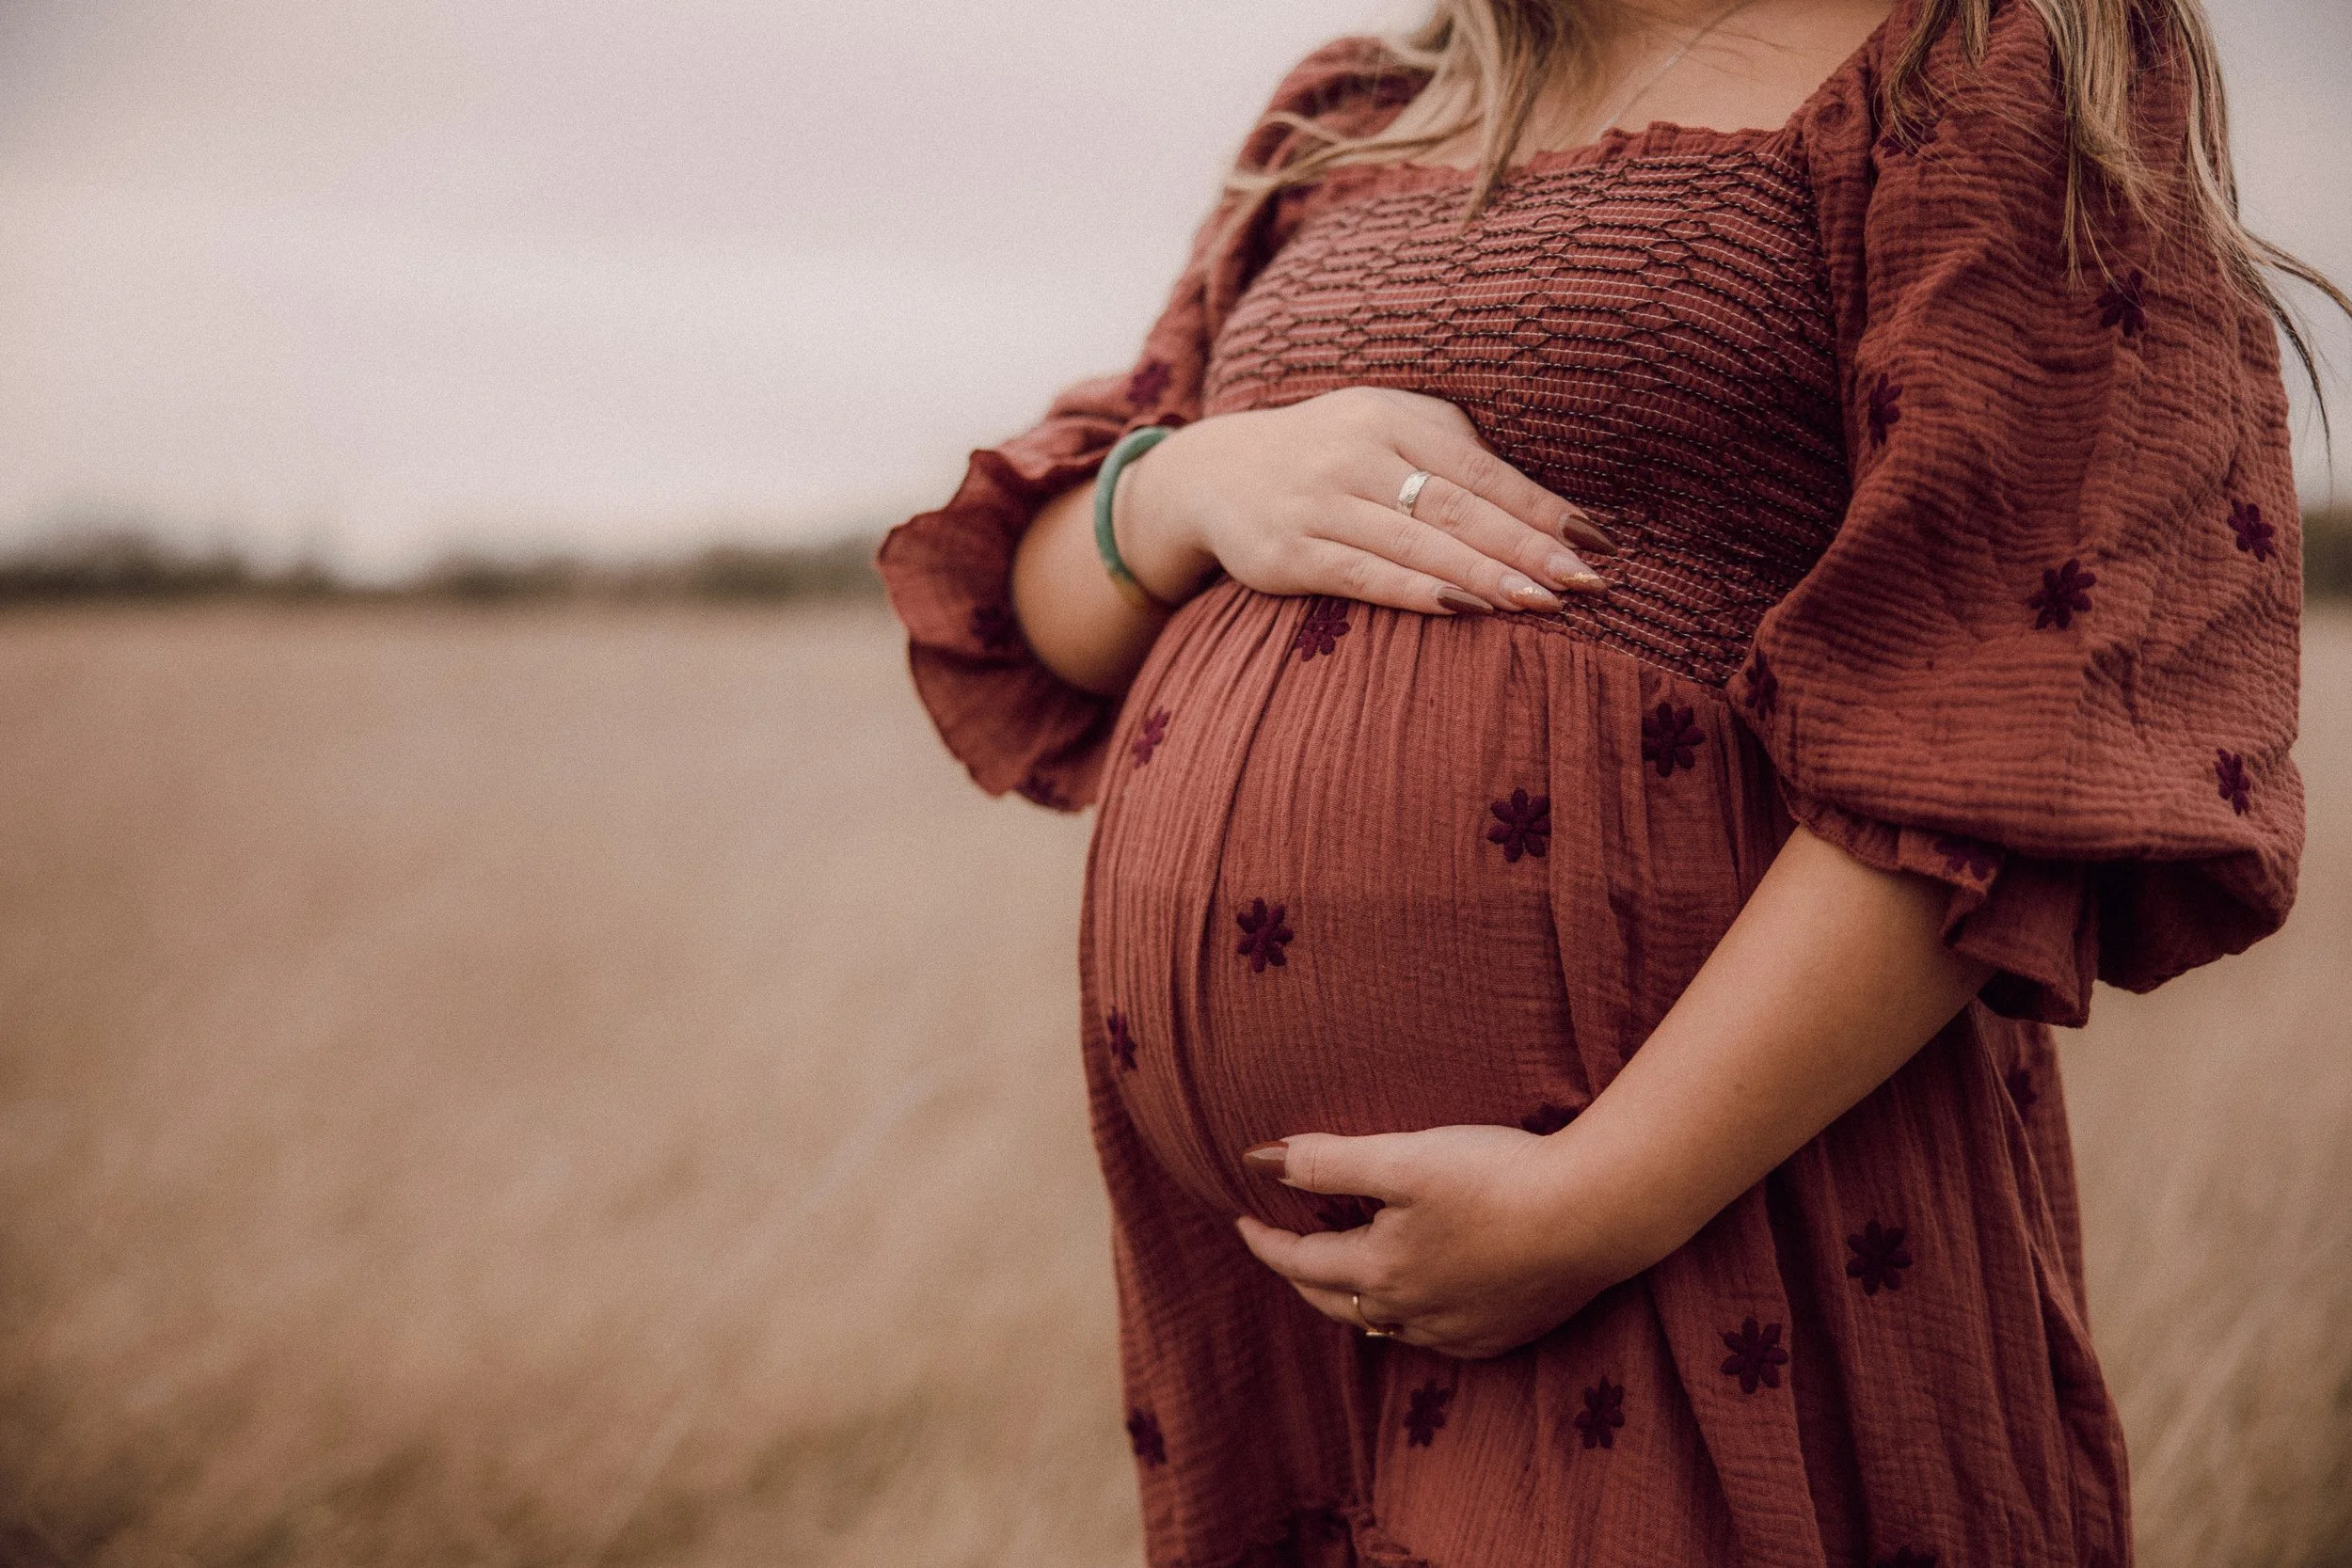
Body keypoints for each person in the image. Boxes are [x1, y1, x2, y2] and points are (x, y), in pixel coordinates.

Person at [878, 0, 2328, 1560]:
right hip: (1277, 1315)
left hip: (1702, 1233)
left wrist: (1599, 1204)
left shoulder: (1975, 60)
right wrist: (1183, 487)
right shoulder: (1357, 107)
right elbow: (1032, 615)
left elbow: (2007, 709)